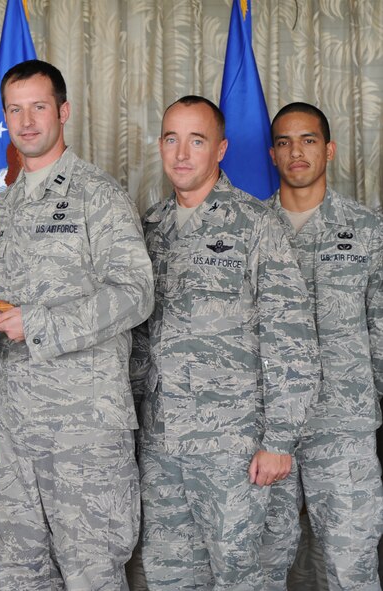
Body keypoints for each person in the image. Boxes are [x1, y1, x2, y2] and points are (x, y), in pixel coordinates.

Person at [0, 59, 154, 590]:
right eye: (15, 109)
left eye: (39, 106)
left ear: (64, 111)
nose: (26, 121)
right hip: (14, 427)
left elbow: (135, 294)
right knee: (20, 573)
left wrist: (41, 323)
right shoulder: (3, 207)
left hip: (84, 427)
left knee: (92, 574)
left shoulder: (98, 195)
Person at [130, 95, 320, 590]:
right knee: (169, 574)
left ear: (221, 149)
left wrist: (280, 440)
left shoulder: (257, 224)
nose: (182, 153)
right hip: (162, 441)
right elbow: (137, 339)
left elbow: (291, 336)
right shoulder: (148, 228)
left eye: (197, 140)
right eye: (172, 139)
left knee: (243, 576)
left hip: (233, 446)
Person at [259, 103, 383, 590]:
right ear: (272, 154)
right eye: (285, 142)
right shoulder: (249, 229)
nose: (297, 151)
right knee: (262, 564)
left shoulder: (367, 230)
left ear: (328, 149)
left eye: (308, 140)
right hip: (268, 430)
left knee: (352, 565)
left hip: (343, 425)